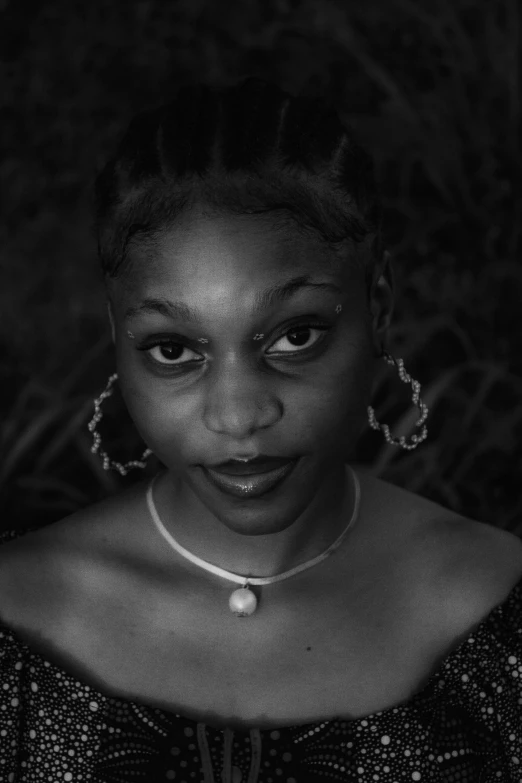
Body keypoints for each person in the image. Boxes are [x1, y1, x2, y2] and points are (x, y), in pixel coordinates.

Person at [1, 77, 522, 783]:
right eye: (174, 349)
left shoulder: (499, 612)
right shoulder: (17, 626)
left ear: (379, 304)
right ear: (116, 337)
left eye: (296, 335)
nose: (239, 415)